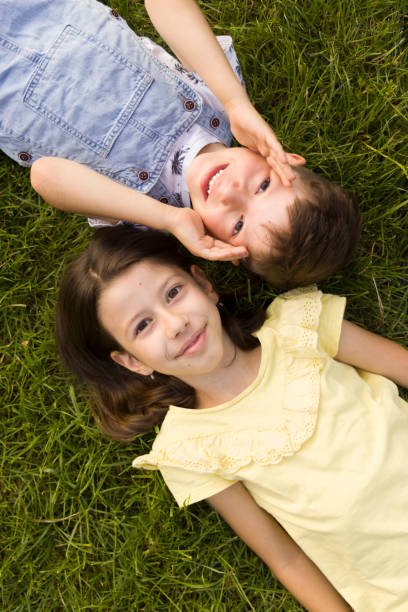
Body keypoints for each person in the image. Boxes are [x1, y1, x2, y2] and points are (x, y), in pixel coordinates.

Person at [56, 224, 408, 611]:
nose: (176, 324)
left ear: (204, 284)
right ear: (132, 362)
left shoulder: (299, 325)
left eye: (173, 293)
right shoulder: (189, 449)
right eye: (143, 326)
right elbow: (284, 558)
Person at [0, 0, 360, 287]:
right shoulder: (219, 104)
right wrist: (237, 102)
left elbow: (46, 176)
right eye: (263, 185)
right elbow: (163, 4)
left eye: (237, 224)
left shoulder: (147, 218)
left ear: (226, 251)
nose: (232, 192)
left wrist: (168, 218)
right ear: (285, 160)